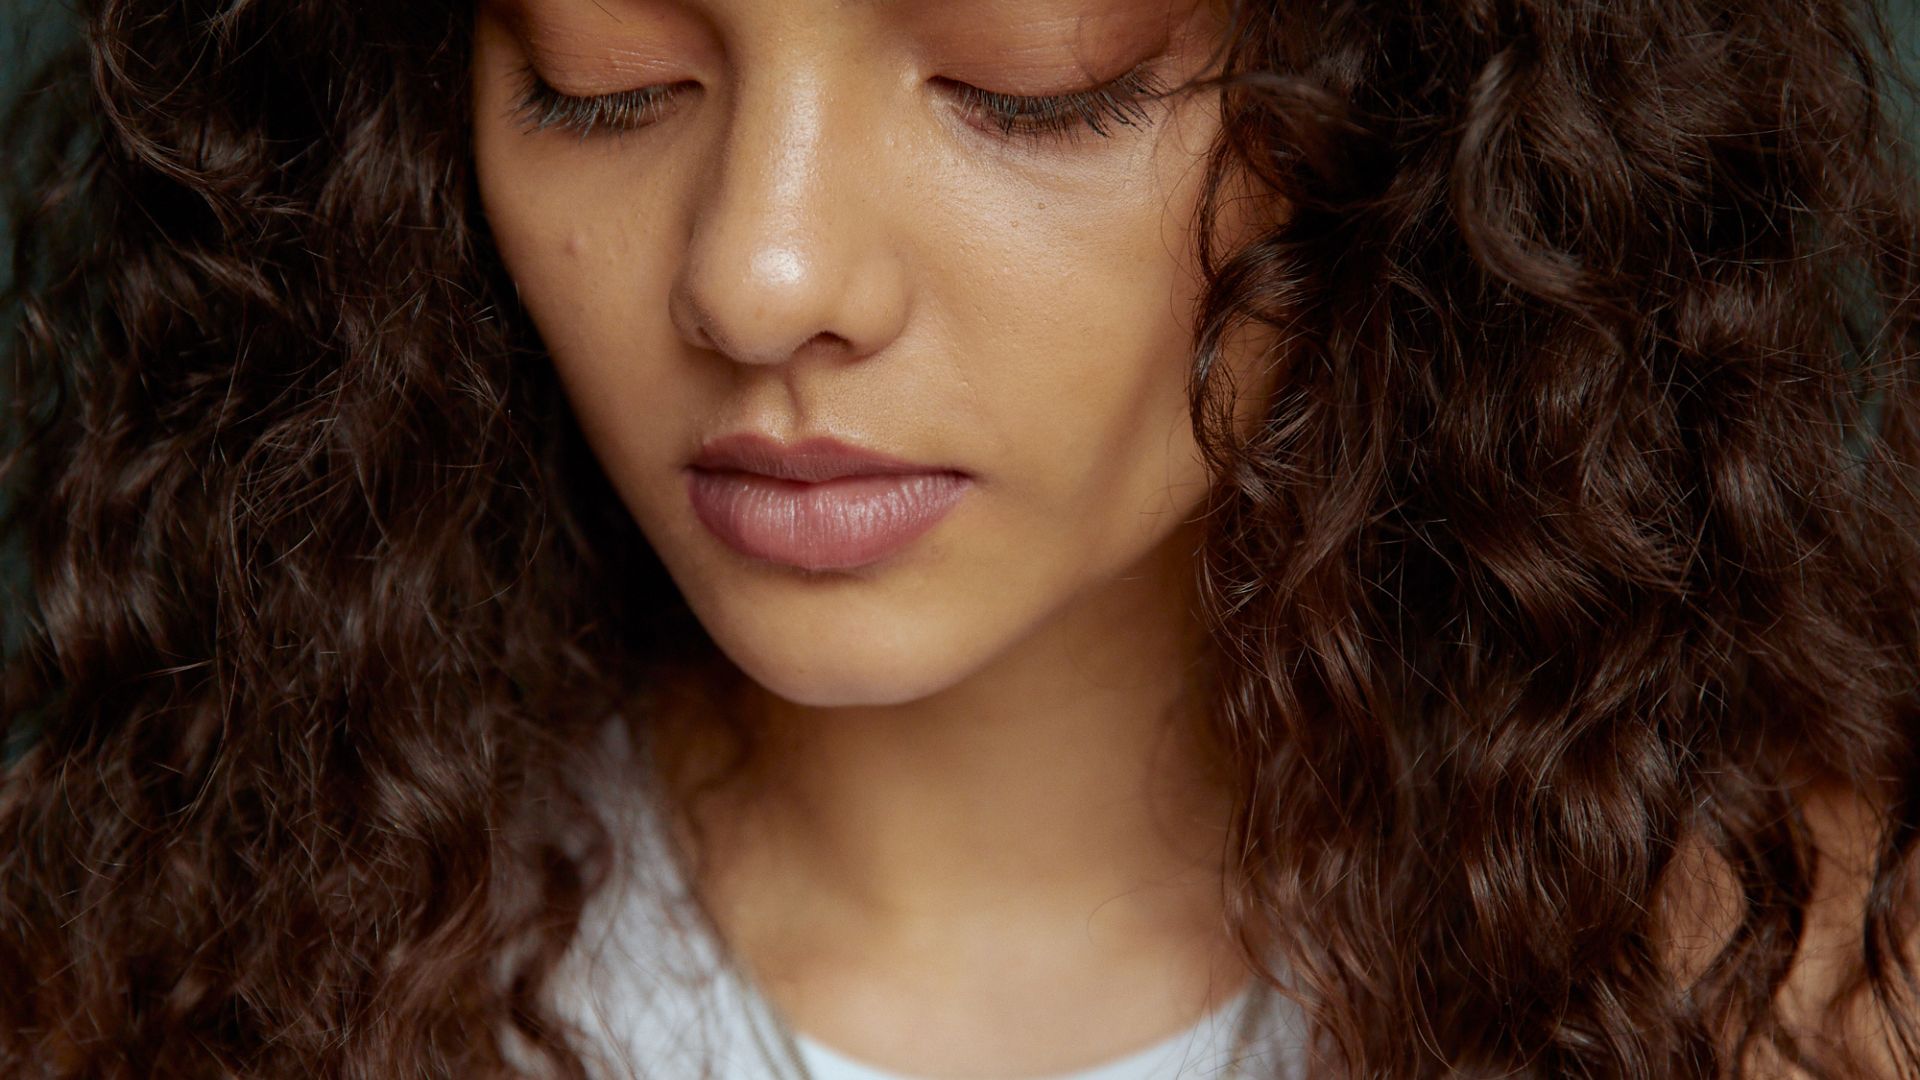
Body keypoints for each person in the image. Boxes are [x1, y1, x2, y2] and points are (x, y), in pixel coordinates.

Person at [4, 0, 1920, 1075]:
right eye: (607, 84)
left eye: (1030, 89)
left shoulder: (1802, 992)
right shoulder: (143, 985)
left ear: (1406, 106)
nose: (760, 275)